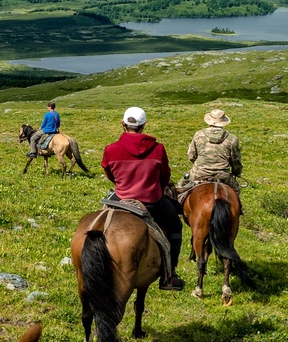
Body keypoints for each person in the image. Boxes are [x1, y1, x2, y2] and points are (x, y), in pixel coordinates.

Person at [100, 106, 185, 291]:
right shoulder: (158, 149)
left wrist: (122, 183)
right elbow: (165, 176)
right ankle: (169, 274)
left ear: (123, 124)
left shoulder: (111, 149)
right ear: (144, 125)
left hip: (122, 199)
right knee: (175, 225)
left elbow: (109, 172)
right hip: (152, 202)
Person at [179, 108, 242, 195]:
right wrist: (236, 172)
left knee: (181, 186)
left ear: (209, 121)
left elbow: (191, 156)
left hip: (199, 173)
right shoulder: (232, 139)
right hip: (223, 175)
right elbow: (236, 161)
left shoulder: (199, 134)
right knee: (236, 191)